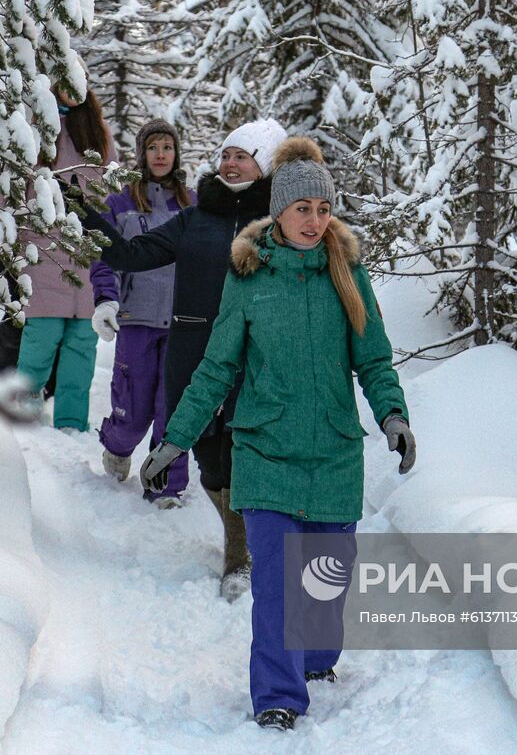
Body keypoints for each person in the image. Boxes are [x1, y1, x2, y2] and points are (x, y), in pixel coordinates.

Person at [138, 137, 418, 731]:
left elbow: (373, 360)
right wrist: (174, 439)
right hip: (264, 450)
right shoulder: (249, 275)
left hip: (334, 452)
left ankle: (314, 661)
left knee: (323, 590)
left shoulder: (348, 274)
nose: (315, 221)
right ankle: (276, 697)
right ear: (280, 211)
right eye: (303, 210)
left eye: (323, 209)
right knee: (276, 585)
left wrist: (393, 416)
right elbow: (216, 368)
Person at [81, 118, 289, 596]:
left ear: (265, 164)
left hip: (252, 359)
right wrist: (85, 220)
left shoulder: (278, 226)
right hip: (192, 354)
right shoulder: (195, 219)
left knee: (240, 452)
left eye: (242, 155)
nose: (230, 163)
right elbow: (132, 254)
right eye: (226, 155)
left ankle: (240, 557)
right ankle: (239, 533)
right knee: (207, 456)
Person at [90, 120, 195, 507]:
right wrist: (106, 299)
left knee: (174, 408)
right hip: (136, 320)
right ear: (142, 154)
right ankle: (117, 448)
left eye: (168, 147)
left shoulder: (193, 204)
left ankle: (165, 485)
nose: (161, 154)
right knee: (132, 411)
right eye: (154, 147)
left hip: (183, 324)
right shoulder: (120, 203)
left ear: (177, 153)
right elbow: (104, 256)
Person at [16, 87, 119, 431]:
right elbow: (10, 194)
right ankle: (25, 422)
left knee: (81, 350)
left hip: (88, 262)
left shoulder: (98, 135)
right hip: (43, 256)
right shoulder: (34, 129)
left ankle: (72, 426)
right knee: (39, 344)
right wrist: (12, 250)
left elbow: (114, 196)